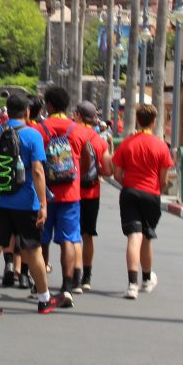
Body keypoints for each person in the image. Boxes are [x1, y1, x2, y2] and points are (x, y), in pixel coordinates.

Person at [0, 91, 54, 316]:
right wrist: (43, 204)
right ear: (27, 112)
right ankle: (44, 298)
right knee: (33, 249)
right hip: (26, 202)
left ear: (6, 111)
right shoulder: (32, 136)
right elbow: (38, 172)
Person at [35, 85, 90, 308]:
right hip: (70, 193)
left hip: (44, 195)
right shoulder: (77, 129)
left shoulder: (41, 129)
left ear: (48, 105)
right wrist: (78, 175)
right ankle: (67, 287)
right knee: (68, 238)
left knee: (43, 240)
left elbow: (35, 163)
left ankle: (42, 286)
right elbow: (87, 159)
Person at [112, 103, 174, 299]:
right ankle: (146, 279)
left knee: (134, 236)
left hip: (129, 192)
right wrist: (156, 190)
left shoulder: (127, 143)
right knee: (147, 236)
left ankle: (132, 284)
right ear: (154, 122)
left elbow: (116, 173)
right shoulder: (161, 146)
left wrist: (128, 184)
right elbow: (164, 179)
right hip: (151, 194)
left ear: (138, 120)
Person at [72, 101, 113, 292]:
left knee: (74, 236)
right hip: (92, 193)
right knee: (88, 235)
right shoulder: (100, 141)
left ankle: (75, 276)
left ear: (79, 115)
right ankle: (87, 277)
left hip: (72, 192)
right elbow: (107, 170)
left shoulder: (72, 135)